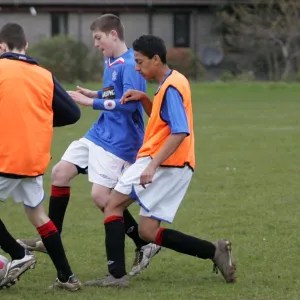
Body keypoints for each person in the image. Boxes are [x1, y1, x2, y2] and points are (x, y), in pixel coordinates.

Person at [84, 34, 237, 287]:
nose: (136, 67)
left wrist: (153, 165)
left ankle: (116, 276)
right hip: (179, 164)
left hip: (164, 161)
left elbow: (179, 131)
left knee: (112, 204)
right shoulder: (171, 82)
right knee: (147, 232)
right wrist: (145, 100)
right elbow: (165, 121)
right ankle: (215, 251)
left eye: (140, 62)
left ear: (156, 59)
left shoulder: (172, 87)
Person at [18, 14, 161, 277]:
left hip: (121, 140)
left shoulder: (132, 64)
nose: (96, 44)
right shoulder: (110, 60)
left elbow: (129, 102)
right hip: (100, 132)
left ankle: (144, 242)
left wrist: (90, 104)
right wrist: (94, 94)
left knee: (102, 198)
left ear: (113, 35)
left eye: (98, 38)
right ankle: (53, 239)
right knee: (60, 173)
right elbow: (113, 91)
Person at [0, 23, 81, 291]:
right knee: (38, 216)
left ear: (1, 47)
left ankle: (19, 255)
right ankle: (67, 277)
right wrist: (36, 121)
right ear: (25, 47)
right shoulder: (44, 74)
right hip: (33, 159)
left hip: (6, 157)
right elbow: (72, 113)